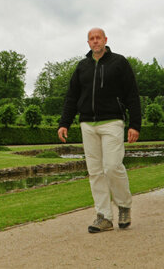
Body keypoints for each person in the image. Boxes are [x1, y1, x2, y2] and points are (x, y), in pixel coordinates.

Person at [58, 27, 142, 233]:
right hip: (87, 124)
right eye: (91, 38)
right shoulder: (82, 67)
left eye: (98, 38)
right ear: (88, 42)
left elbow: (132, 94)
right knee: (95, 172)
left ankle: (124, 206)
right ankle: (103, 216)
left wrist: (135, 124)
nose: (95, 41)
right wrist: (64, 123)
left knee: (112, 167)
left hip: (112, 122)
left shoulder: (119, 62)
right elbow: (72, 97)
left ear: (105, 40)